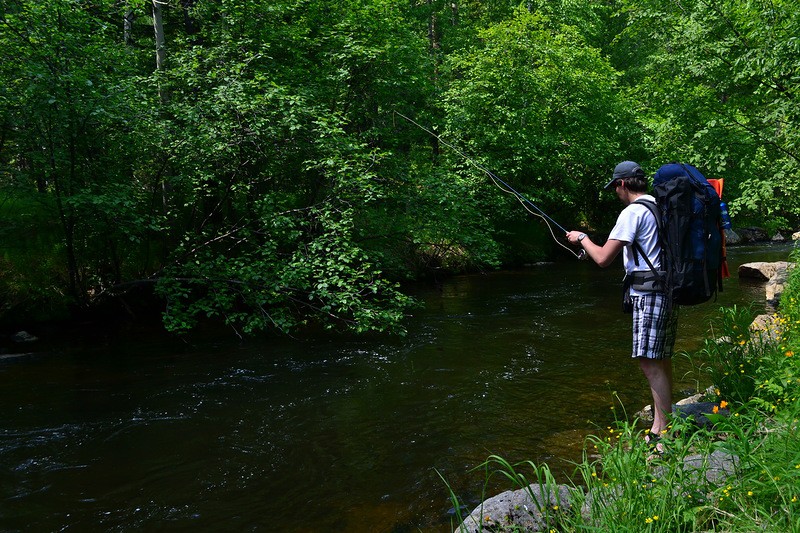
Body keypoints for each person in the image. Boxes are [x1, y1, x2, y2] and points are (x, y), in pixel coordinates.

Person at [565, 161, 677, 449]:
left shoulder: (632, 212)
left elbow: (603, 258)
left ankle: (663, 433)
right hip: (667, 289)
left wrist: (582, 238)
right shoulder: (659, 205)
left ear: (623, 184)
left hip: (648, 293)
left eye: (615, 187)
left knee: (649, 361)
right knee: (661, 358)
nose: (615, 192)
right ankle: (663, 424)